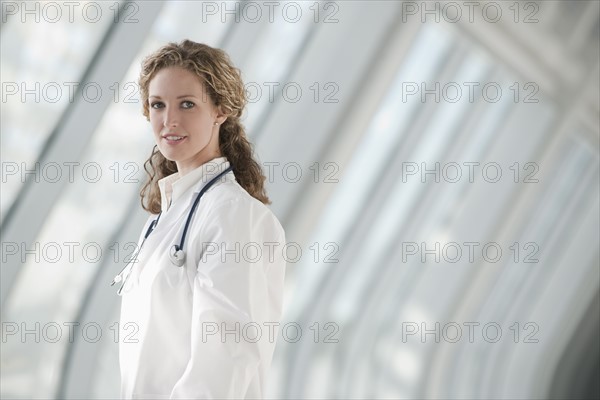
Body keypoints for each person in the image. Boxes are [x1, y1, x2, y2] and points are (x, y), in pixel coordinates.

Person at [114, 39, 287, 399]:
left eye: (187, 104)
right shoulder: (164, 217)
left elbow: (226, 354)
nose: (169, 120)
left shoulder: (235, 215)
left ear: (221, 110)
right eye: (158, 105)